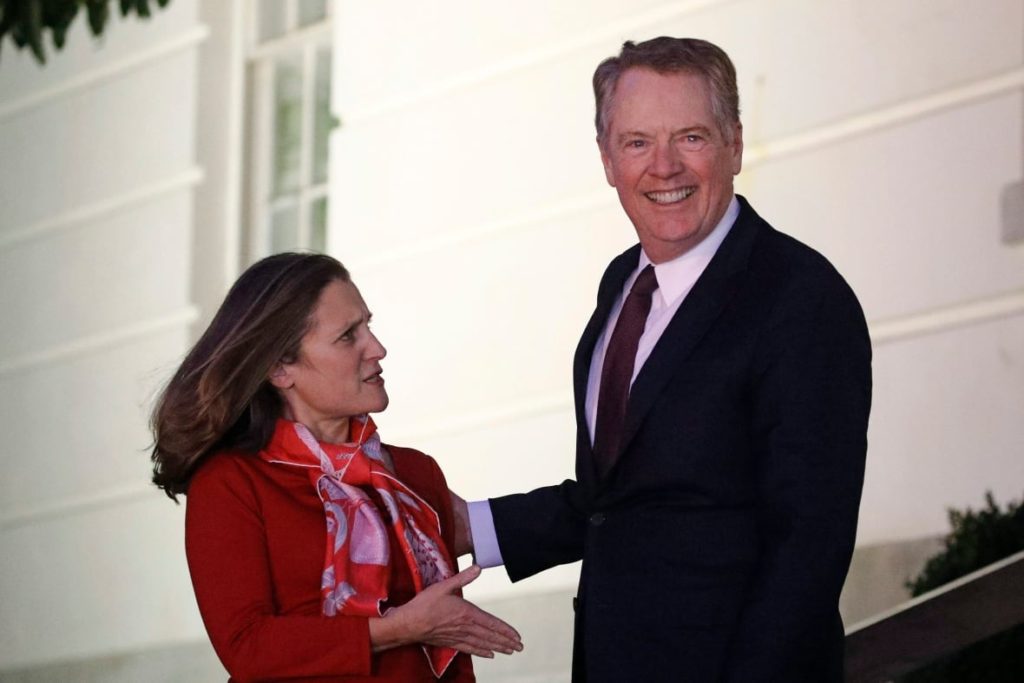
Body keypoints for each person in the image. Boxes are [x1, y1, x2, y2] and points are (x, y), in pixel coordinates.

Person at [454, 37, 872, 682]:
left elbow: (807, 546)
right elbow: (619, 500)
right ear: (606, 159)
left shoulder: (800, 297)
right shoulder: (622, 283)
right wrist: (466, 526)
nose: (665, 166)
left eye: (692, 137)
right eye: (637, 142)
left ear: (733, 142)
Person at [151, 252, 522, 682]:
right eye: (349, 336)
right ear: (279, 369)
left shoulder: (415, 475)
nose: (377, 348)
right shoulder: (232, 483)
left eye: (369, 325)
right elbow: (246, 648)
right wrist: (398, 629)